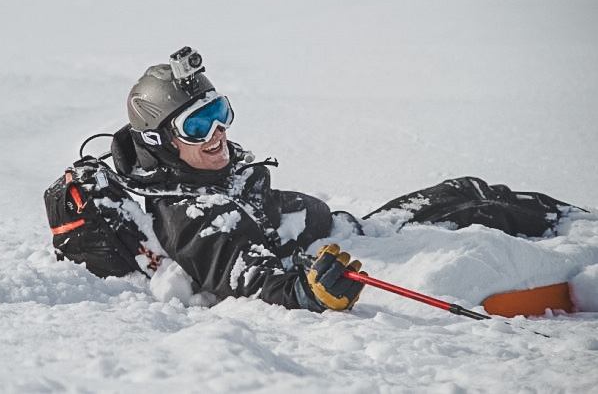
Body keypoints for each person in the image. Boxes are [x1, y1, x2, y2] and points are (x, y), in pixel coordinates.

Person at [103, 48, 577, 313]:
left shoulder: (209, 173)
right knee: (476, 210)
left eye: (218, 112)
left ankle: (580, 223)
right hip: (356, 252)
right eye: (196, 124)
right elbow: (244, 279)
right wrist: (310, 292)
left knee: (470, 192)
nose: (218, 132)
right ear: (159, 140)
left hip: (356, 230)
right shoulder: (192, 213)